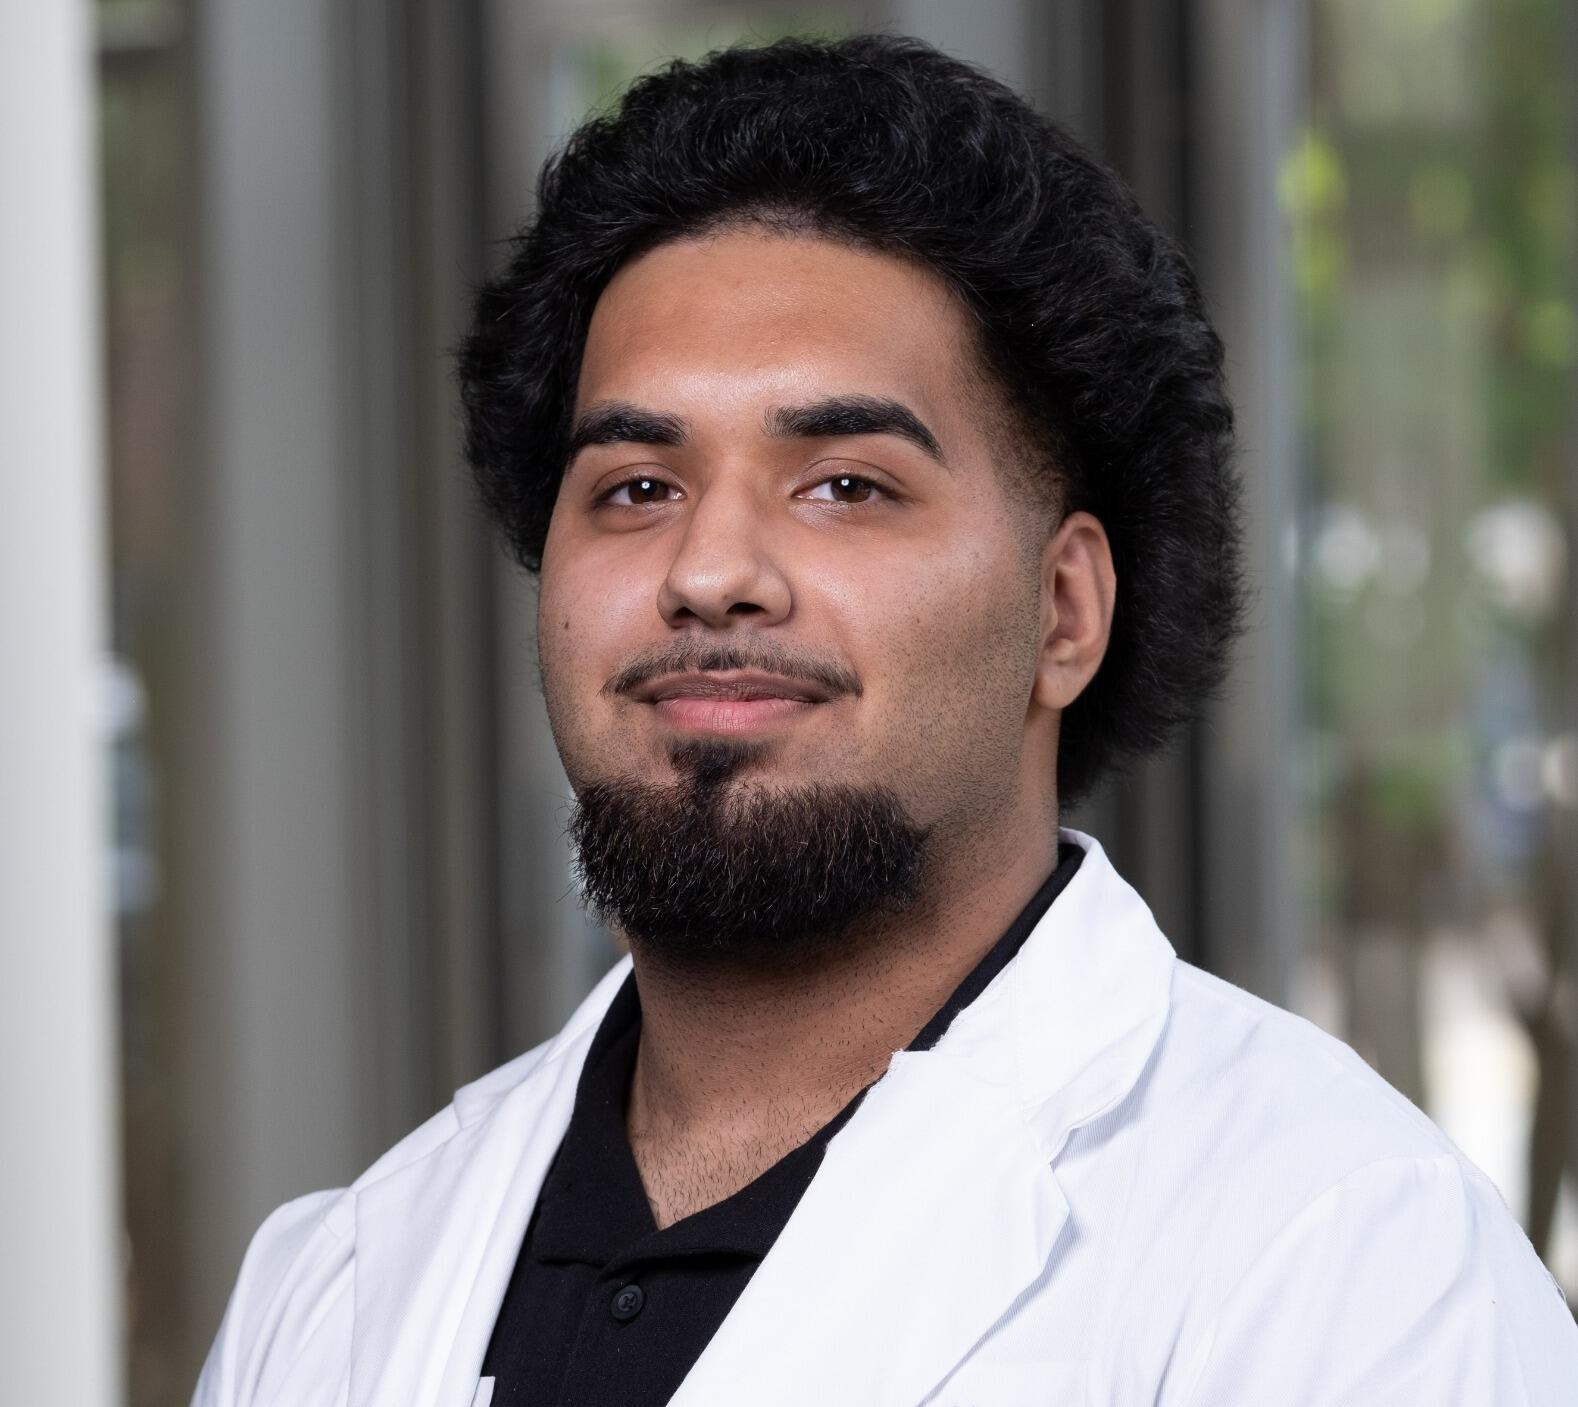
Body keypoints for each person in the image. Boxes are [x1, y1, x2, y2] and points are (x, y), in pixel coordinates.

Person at [192, 32, 1578, 1407]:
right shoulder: (340, 1281)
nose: (709, 571)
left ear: (1063, 611)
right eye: (634, 487)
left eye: (844, 486)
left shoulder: (1340, 1263)